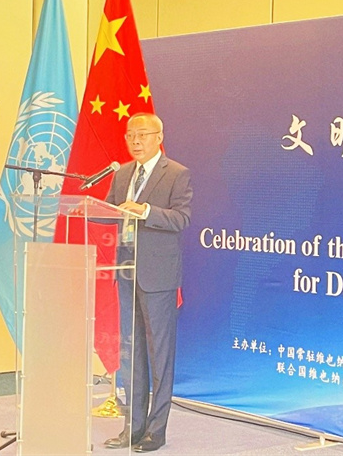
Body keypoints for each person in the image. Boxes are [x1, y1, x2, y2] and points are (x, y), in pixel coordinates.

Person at [104, 112, 192, 452]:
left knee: (160, 355)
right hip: (126, 269)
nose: (136, 141)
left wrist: (145, 211)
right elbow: (108, 210)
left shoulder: (177, 174)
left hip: (158, 276)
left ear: (159, 137)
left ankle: (156, 430)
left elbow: (182, 218)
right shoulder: (122, 173)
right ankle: (132, 427)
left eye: (142, 134)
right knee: (131, 352)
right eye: (130, 135)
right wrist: (85, 210)